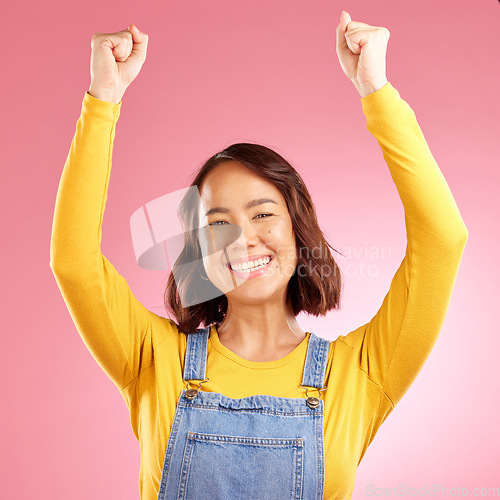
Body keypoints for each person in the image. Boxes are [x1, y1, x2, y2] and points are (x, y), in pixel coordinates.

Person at [49, 11, 468, 500]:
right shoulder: (152, 359)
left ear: (298, 230)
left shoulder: (360, 372)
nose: (242, 239)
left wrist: (376, 91)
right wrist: (103, 100)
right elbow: (72, 261)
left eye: (263, 214)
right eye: (217, 223)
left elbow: (442, 241)